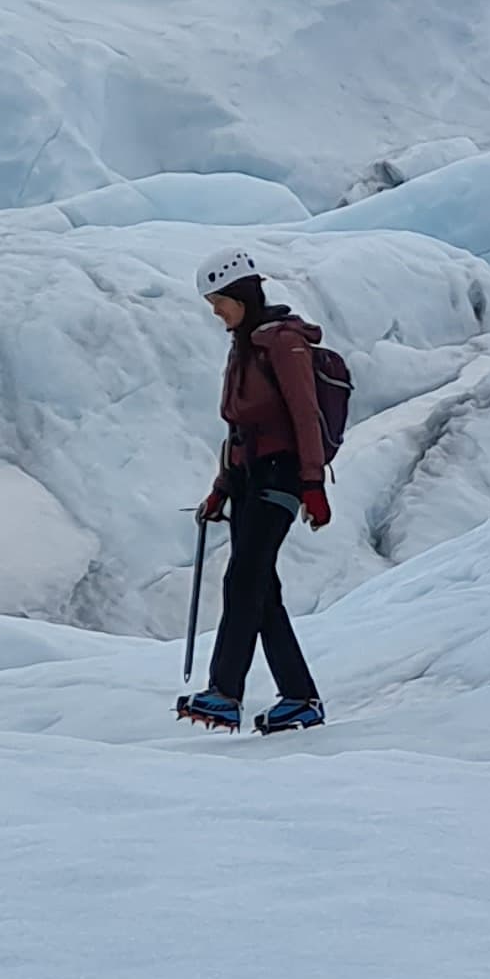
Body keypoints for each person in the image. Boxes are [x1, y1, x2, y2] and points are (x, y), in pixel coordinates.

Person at [177, 245, 332, 731]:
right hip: (248, 479)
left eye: (219, 300)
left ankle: (225, 692)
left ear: (242, 295)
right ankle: (301, 698)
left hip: (280, 477)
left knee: (243, 580)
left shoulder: (283, 344)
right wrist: (222, 487)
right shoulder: (246, 346)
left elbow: (306, 415)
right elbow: (239, 429)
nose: (216, 311)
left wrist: (312, 484)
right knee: (260, 588)